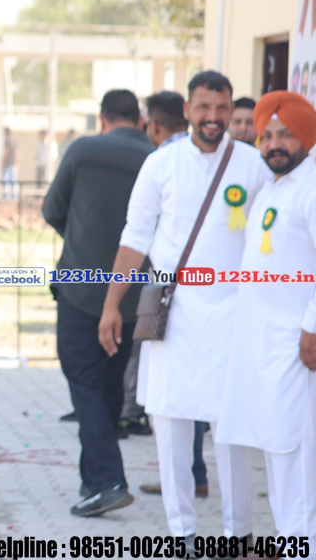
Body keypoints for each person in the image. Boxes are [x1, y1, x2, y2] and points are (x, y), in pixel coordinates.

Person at [100, 71, 271, 541]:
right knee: (170, 423)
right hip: (171, 313)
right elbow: (135, 238)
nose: (213, 117)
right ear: (187, 110)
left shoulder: (254, 165)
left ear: (231, 109)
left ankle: (239, 536)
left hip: (234, 315)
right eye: (203, 107)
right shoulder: (160, 164)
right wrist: (112, 305)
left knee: (232, 430)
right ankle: (181, 536)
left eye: (221, 108)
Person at [42, 89, 153, 517]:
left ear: (103, 118)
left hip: (80, 288)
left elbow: (52, 209)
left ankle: (107, 480)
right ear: (140, 120)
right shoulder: (157, 159)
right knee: (108, 382)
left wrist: (81, 237)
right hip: (131, 293)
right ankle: (93, 481)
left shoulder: (83, 149)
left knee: (83, 380)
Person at [217, 91, 316, 541]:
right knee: (278, 454)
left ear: (306, 136)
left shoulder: (311, 187)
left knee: (299, 462)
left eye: (286, 134)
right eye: (267, 136)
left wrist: (312, 327)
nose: (275, 144)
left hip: (298, 348)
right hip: (265, 348)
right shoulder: (273, 188)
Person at [130, 91, 211, 499]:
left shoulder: (163, 161)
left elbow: (140, 232)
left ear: (155, 125)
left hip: (174, 293)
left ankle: (185, 476)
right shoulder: (190, 158)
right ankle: (193, 474)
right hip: (204, 292)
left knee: (175, 396)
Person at [1, 127, 18, 199]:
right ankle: (15, 197)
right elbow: (17, 152)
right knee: (14, 181)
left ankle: (7, 197)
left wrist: (2, 162)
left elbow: (6, 152)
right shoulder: (14, 140)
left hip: (8, 164)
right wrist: (16, 162)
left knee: (6, 181)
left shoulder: (7, 140)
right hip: (13, 163)